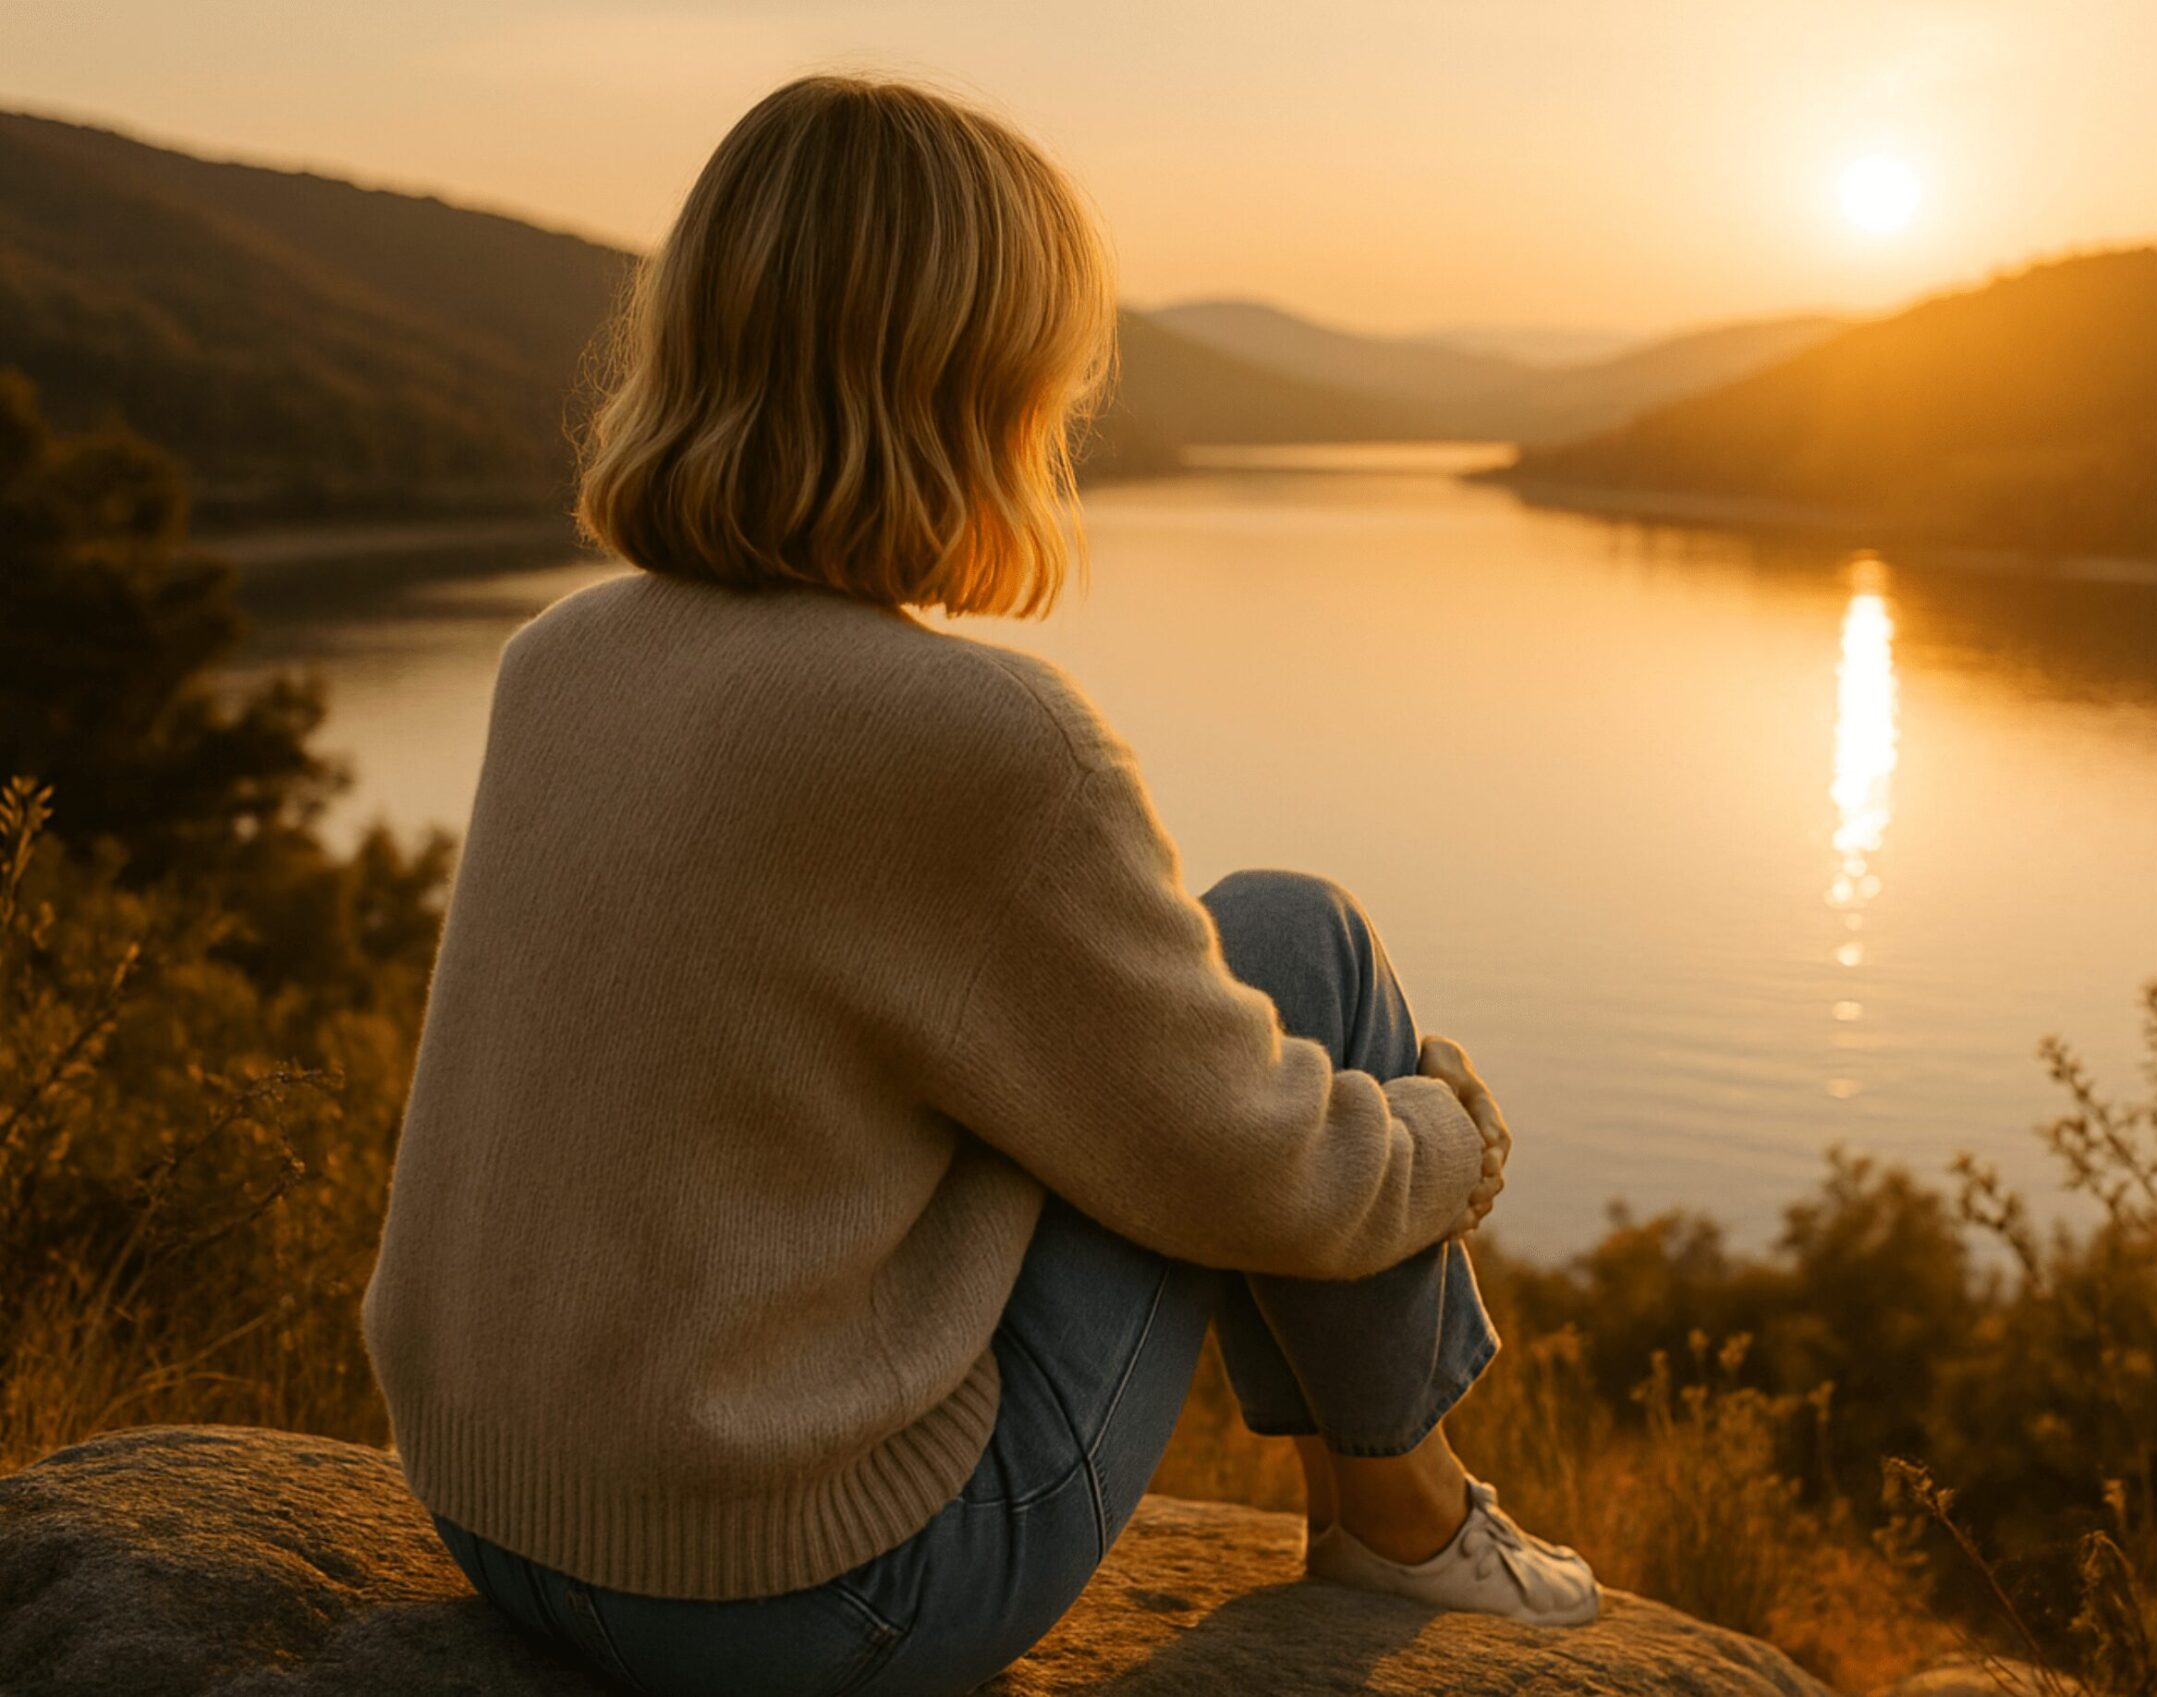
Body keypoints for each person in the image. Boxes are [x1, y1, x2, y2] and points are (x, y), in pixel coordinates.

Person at [361, 73, 1598, 1697]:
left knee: (1228, 973)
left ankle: (1394, 1505)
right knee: (1301, 945)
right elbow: (1258, 1172)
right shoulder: (987, 738)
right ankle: (1406, 1512)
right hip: (805, 1597)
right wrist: (1452, 1139)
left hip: (494, 1511)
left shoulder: (562, 656)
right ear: (986, 386)